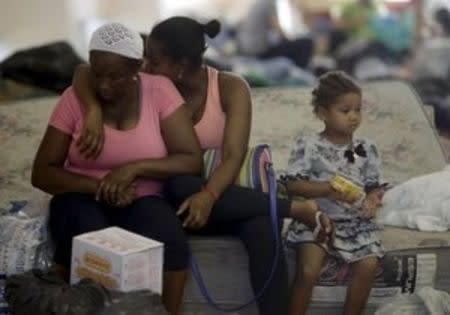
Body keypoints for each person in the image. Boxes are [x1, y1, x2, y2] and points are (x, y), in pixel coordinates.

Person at [73, 17, 334, 315]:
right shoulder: (145, 84)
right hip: (168, 201)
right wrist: (93, 109)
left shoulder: (229, 88)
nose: (147, 66)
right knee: (182, 182)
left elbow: (234, 155)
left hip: (221, 200)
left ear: (181, 65)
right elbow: (84, 71)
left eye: (155, 61)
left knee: (263, 227)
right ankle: (293, 208)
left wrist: (208, 196)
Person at [31, 23, 203, 315]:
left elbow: (191, 159)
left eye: (114, 76)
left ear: (138, 68)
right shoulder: (75, 100)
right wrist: (101, 187)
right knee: (95, 240)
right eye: (97, 74)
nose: (104, 85)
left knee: (172, 243)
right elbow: (42, 172)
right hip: (80, 196)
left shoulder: (159, 91)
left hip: (142, 196)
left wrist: (132, 169)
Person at [284, 71, 385, 315]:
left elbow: (374, 186)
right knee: (308, 270)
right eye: (345, 110)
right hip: (316, 221)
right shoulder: (309, 145)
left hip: (355, 224)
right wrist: (327, 189)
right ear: (323, 113)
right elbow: (292, 186)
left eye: (358, 109)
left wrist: (372, 199)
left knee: (369, 266)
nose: (354, 117)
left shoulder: (366, 148)